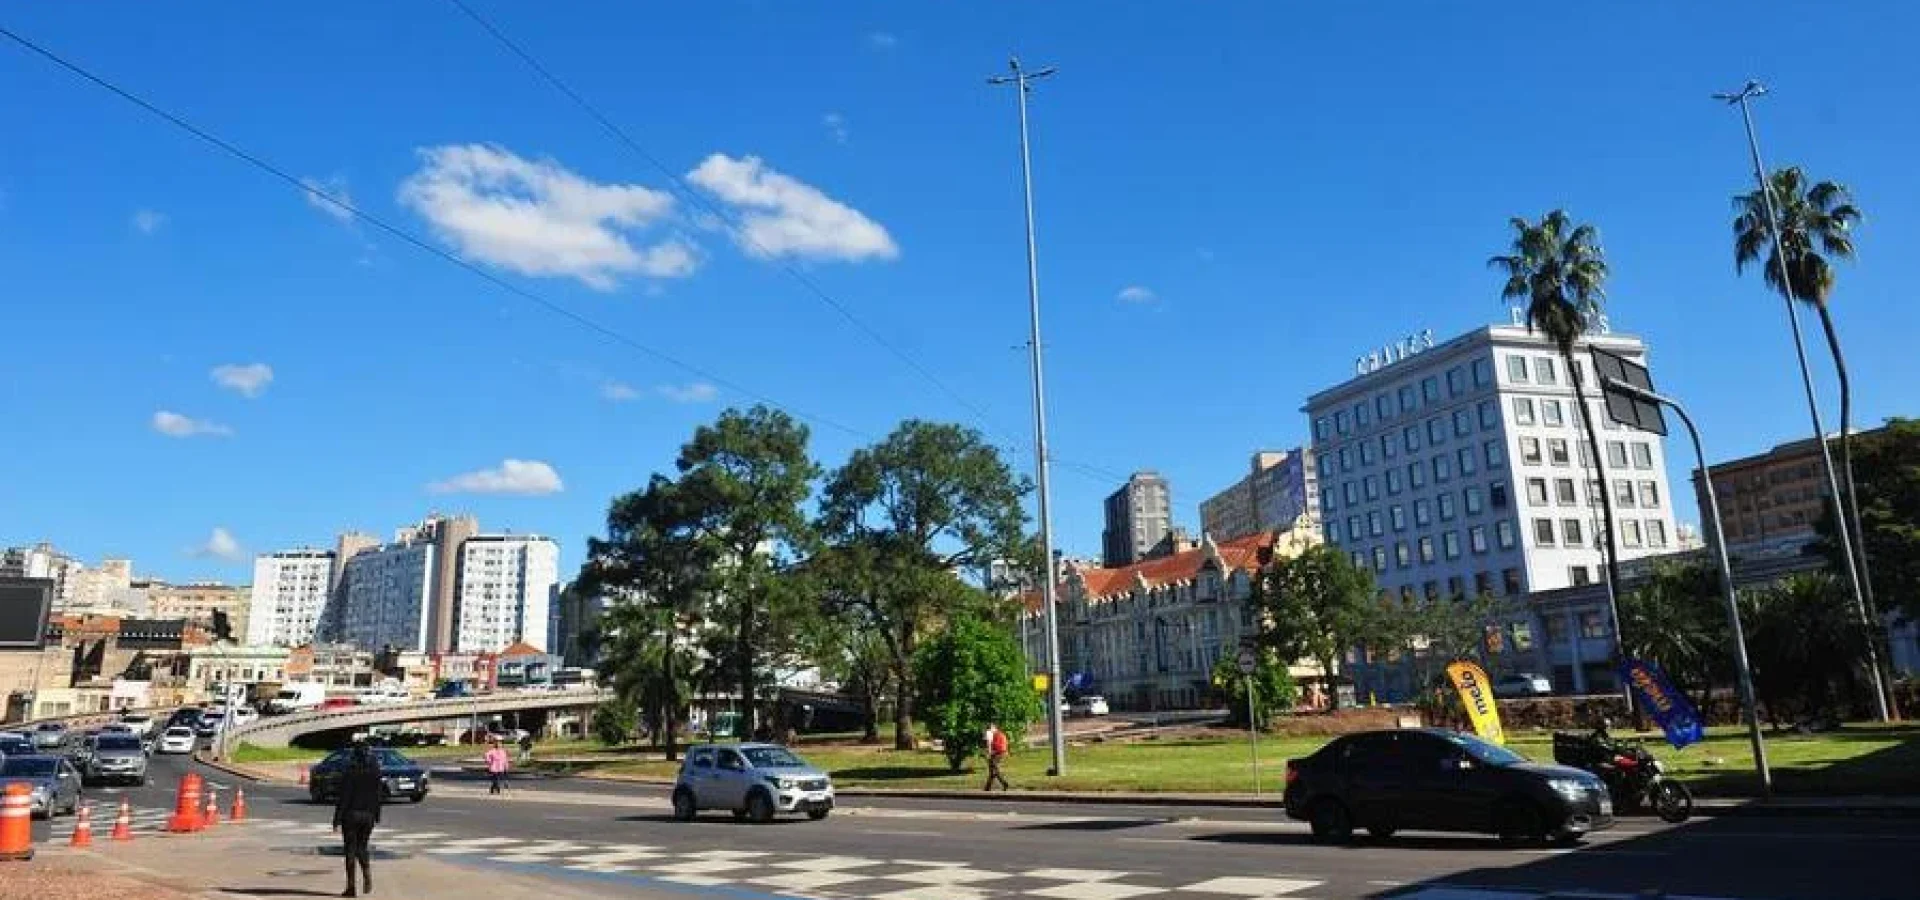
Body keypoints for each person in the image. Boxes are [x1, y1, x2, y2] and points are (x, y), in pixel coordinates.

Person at [332, 741, 383, 897]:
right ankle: (366, 872)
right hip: (368, 816)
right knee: (362, 847)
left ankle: (351, 887)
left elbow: (344, 798)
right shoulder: (375, 773)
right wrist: (377, 815)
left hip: (351, 815)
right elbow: (378, 796)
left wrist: (337, 820)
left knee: (350, 851)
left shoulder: (350, 772)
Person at [983, 723, 1010, 792]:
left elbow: (988, 744)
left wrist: (989, 753)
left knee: (994, 769)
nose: (988, 730)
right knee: (992, 771)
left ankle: (1004, 783)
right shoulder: (1000, 733)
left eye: (989, 728)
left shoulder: (989, 732)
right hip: (1002, 752)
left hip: (997, 753)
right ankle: (987, 788)